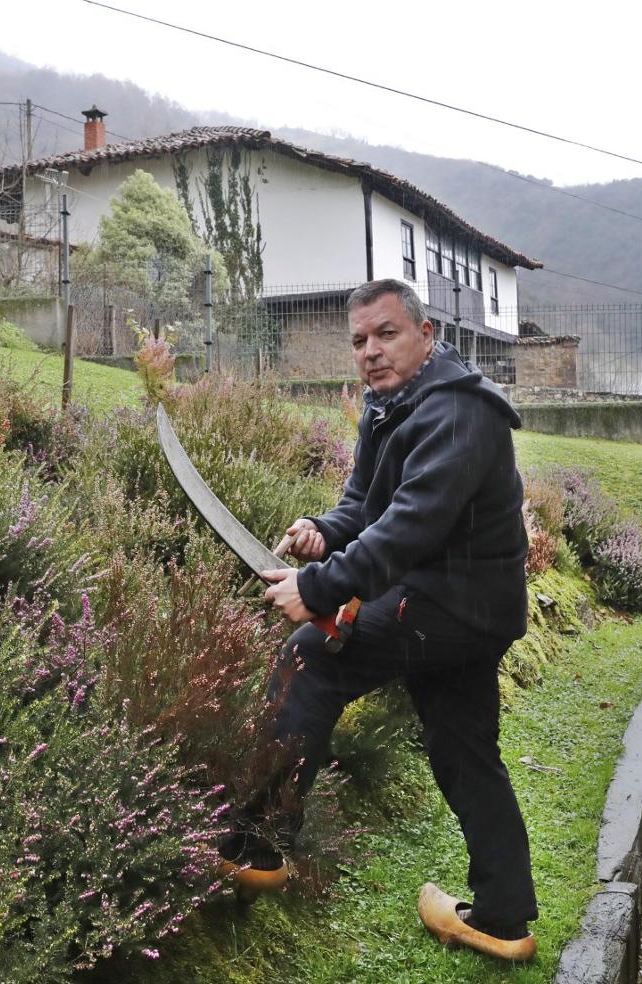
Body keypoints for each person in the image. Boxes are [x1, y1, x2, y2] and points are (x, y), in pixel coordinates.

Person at [218, 278, 538, 961]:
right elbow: (365, 505)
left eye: (386, 334)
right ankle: (504, 920)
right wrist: (321, 534)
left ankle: (258, 847)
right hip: (458, 607)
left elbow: (410, 528)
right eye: (359, 340)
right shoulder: (391, 405)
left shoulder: (458, 413)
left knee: (310, 658)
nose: (370, 351)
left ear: (427, 335)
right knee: (464, 752)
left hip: (452, 604)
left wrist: (321, 589)